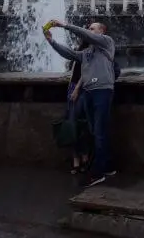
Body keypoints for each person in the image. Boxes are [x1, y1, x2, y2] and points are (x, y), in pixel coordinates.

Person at [43, 20, 116, 188]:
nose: (89, 30)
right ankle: (108, 166)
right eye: (89, 28)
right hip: (89, 92)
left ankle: (97, 173)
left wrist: (65, 25)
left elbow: (85, 34)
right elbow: (69, 54)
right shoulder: (87, 52)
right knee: (96, 131)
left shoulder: (106, 43)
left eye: (92, 28)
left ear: (101, 31)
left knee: (98, 131)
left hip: (102, 91)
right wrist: (51, 41)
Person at [67, 50, 91, 174]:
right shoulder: (81, 46)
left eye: (92, 28)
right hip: (73, 86)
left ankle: (84, 157)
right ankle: (77, 158)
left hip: (81, 88)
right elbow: (75, 68)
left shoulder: (93, 46)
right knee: (73, 124)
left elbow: (86, 69)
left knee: (81, 125)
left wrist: (76, 88)